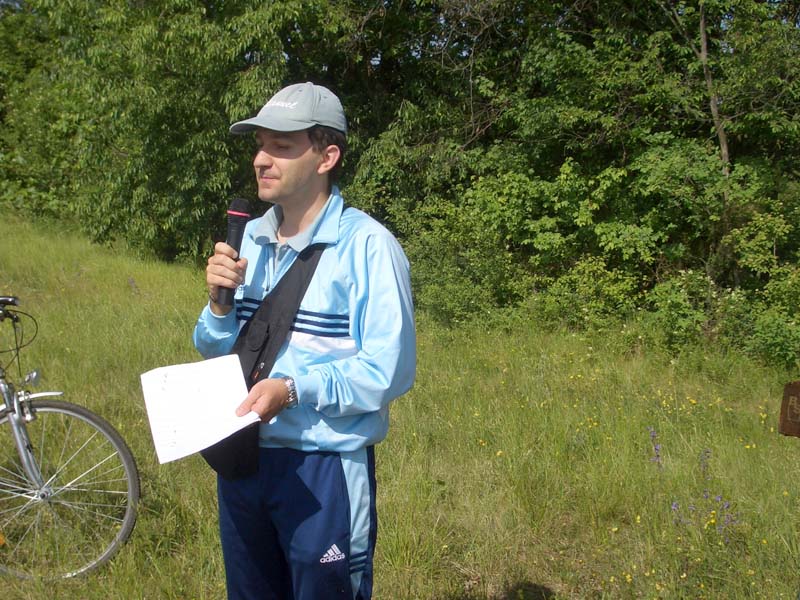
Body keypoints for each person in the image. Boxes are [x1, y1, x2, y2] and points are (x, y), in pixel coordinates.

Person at [192, 82, 416, 600]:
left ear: (326, 157)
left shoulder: (368, 247)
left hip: (321, 468)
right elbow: (218, 352)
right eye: (260, 145)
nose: (261, 159)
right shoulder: (249, 237)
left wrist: (294, 389)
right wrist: (218, 307)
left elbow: (389, 370)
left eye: (281, 146)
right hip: (243, 460)